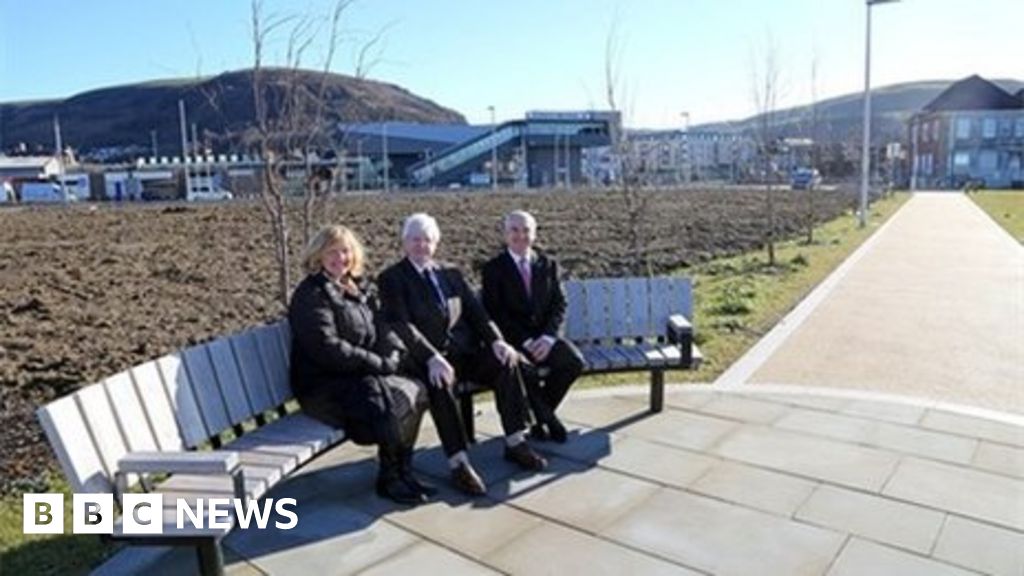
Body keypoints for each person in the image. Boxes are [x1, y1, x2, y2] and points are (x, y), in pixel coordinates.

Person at [379, 213, 547, 497]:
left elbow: (478, 314)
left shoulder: (451, 274)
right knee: (440, 383)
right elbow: (401, 324)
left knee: (506, 361)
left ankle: (515, 441)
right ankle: (459, 463)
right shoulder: (392, 279)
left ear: (436, 243)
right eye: (415, 240)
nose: (422, 245)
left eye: (427, 240)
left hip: (462, 353)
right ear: (405, 243)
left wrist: (497, 341)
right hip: (424, 360)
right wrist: (431, 356)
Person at [288, 224, 433, 506]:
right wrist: (379, 364)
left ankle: (403, 469)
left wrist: (392, 353)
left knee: (416, 388)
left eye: (345, 251)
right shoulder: (311, 294)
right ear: (318, 255)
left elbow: (383, 327)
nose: (340, 257)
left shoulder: (357, 287)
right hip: (322, 386)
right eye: (331, 252)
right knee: (382, 396)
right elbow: (327, 347)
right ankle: (389, 479)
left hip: (356, 374)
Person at [482, 210, 584, 443]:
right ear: (505, 235)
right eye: (514, 230)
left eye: (526, 230)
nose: (520, 235)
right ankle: (549, 419)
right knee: (523, 370)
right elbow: (495, 312)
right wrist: (527, 341)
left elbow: (560, 304)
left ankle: (539, 416)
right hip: (514, 341)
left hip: (545, 338)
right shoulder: (493, 269)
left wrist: (548, 338)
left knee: (573, 361)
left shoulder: (548, 265)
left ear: (534, 234)